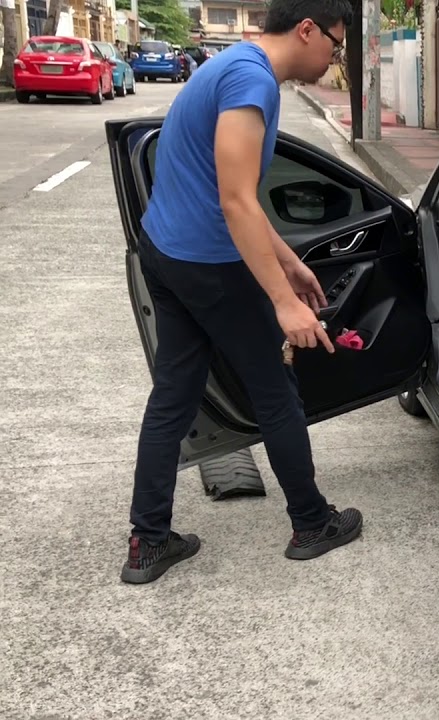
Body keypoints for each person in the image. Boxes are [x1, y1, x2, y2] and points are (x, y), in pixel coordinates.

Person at [122, 0, 361, 584]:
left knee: (173, 397)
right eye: (335, 43)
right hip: (209, 264)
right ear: (306, 30)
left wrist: (290, 264)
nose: (335, 59)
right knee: (275, 394)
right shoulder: (253, 82)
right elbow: (235, 200)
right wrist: (281, 301)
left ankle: (148, 542)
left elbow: (229, 196)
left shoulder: (232, 67)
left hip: (167, 251)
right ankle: (311, 521)